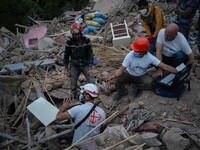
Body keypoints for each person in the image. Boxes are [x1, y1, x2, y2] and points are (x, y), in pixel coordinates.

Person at [109, 38, 178, 101]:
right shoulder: (130, 55)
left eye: (137, 51)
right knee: (117, 79)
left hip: (141, 76)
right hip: (129, 74)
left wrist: (177, 71)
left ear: (143, 52)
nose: (134, 51)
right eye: (134, 50)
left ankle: (137, 87)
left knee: (151, 83)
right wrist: (114, 76)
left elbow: (164, 66)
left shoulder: (149, 57)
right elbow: (121, 70)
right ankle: (122, 91)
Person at [64, 22, 95, 99]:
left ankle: (93, 95)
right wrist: (66, 66)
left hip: (85, 63)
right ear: (72, 34)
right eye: (75, 34)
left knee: (91, 81)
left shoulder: (86, 41)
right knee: (73, 84)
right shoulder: (69, 42)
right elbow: (66, 55)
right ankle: (74, 97)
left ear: (81, 33)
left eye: (78, 34)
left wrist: (90, 63)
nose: (77, 36)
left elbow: (90, 52)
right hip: (74, 64)